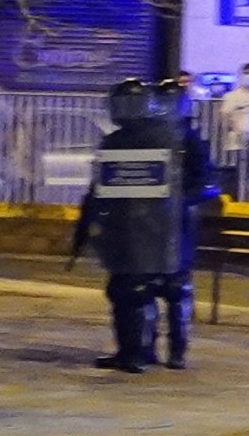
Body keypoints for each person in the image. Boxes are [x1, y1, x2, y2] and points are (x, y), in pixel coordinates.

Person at [76, 73, 202, 372]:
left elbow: (200, 182)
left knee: (149, 290)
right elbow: (101, 186)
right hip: (124, 229)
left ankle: (152, 353)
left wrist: (177, 201)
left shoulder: (173, 139)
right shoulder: (120, 140)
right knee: (127, 290)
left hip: (162, 230)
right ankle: (135, 351)